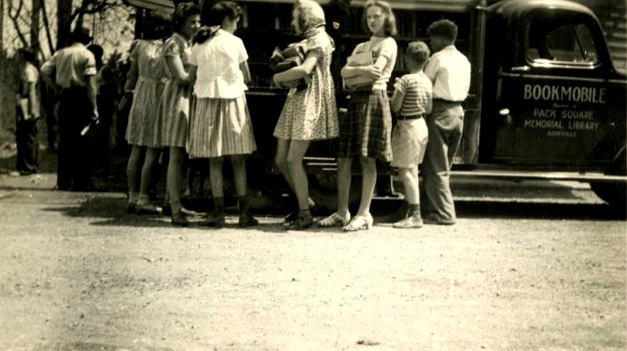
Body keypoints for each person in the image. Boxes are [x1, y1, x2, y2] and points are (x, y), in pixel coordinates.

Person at [318, 0, 397, 231]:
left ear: (387, 19)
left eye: (377, 16)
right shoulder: (363, 45)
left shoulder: (389, 44)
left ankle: (364, 213)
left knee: (366, 158)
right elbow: (343, 73)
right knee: (344, 157)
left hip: (374, 100)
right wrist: (359, 72)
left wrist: (355, 73)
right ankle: (342, 212)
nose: (372, 20)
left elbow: (376, 74)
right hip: (357, 102)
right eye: (369, 17)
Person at [188, 1, 258, 228]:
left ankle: (218, 214)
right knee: (238, 159)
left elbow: (191, 76)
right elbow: (246, 76)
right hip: (232, 101)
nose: (237, 24)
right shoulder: (236, 42)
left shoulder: (199, 43)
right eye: (236, 20)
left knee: (214, 159)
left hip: (207, 101)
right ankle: (244, 214)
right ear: (228, 20)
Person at [272, 0, 339, 230]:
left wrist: (278, 77)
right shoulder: (311, 38)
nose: (293, 22)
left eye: (295, 17)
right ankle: (306, 201)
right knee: (281, 159)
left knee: (292, 159)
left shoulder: (320, 39)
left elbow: (305, 69)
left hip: (309, 101)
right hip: (297, 100)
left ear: (306, 17)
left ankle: (304, 212)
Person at [421, 19, 471, 225]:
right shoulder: (464, 60)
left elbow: (424, 85)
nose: (430, 42)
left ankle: (445, 214)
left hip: (440, 111)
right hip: (458, 112)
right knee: (444, 167)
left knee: (435, 167)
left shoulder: (437, 59)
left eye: (433, 38)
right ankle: (431, 208)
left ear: (441, 38)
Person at [41, 25, 99, 191]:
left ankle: (64, 181)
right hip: (81, 97)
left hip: (65, 96)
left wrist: (55, 87)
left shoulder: (61, 53)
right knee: (83, 140)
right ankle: (81, 182)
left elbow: (44, 70)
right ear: (86, 41)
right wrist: (94, 107)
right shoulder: (87, 54)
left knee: (66, 139)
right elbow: (90, 83)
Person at [124, 11, 171, 213]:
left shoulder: (139, 46)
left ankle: (132, 196)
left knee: (136, 148)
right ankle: (144, 197)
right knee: (153, 149)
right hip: (158, 95)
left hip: (140, 95)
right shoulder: (167, 48)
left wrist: (127, 94)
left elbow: (131, 77)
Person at [160, 2, 201, 226]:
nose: (196, 25)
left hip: (191, 99)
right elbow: (183, 78)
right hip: (179, 98)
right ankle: (175, 208)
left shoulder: (190, 42)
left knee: (182, 154)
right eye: (191, 22)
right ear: (181, 23)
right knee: (176, 153)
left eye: (198, 21)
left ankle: (173, 200)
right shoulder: (172, 44)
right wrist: (199, 63)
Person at [389, 41, 432, 228]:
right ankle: (406, 210)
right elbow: (429, 108)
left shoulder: (406, 80)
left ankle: (415, 215)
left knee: (406, 171)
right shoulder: (427, 81)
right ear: (427, 60)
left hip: (407, 125)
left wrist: (397, 91)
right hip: (421, 124)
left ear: (406, 58)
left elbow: (395, 106)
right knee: (412, 169)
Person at [15, 47, 41, 176]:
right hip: (24, 102)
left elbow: (31, 90)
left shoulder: (29, 70)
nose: (18, 58)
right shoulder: (27, 70)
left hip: (27, 103)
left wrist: (32, 109)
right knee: (27, 135)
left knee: (28, 136)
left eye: (20, 55)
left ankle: (29, 166)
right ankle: (31, 165)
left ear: (24, 57)